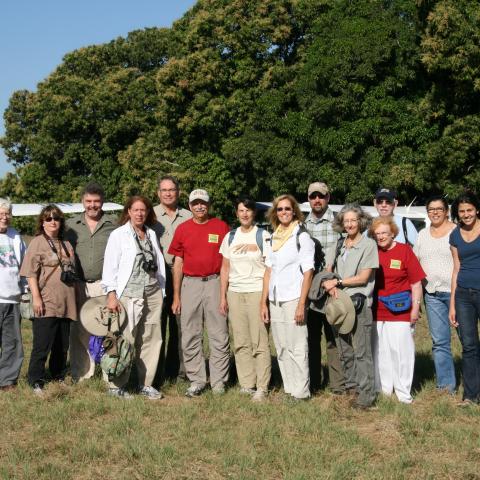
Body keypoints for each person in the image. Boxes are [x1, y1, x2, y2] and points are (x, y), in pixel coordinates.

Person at [102, 196, 166, 399]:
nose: (139, 213)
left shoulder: (151, 234)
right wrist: (111, 295)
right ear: (128, 211)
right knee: (121, 338)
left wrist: (162, 292)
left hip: (152, 291)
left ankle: (145, 383)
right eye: (135, 210)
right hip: (128, 293)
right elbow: (110, 268)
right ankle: (114, 384)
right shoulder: (118, 235)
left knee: (151, 338)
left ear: (148, 212)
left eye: (143, 210)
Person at [168, 189, 230, 397]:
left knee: (219, 333)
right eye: (195, 203)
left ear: (209, 204)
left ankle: (219, 381)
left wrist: (224, 293)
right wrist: (176, 296)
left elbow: (227, 263)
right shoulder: (183, 229)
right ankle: (197, 379)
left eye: (203, 203)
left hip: (214, 283)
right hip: (190, 285)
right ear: (190, 205)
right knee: (190, 334)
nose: (199, 206)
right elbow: (178, 263)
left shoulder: (221, 227)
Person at [323, 204, 378, 409]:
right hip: (339, 305)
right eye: (346, 221)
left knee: (362, 353)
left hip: (359, 305)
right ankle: (352, 389)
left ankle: (367, 397)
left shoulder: (368, 245)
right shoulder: (338, 244)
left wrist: (337, 283)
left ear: (361, 221)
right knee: (345, 351)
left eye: (353, 220)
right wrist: (329, 282)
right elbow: (328, 270)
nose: (349, 224)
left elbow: (364, 277)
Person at [261, 194, 314, 401]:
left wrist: (301, 304)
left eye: (287, 209)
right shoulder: (274, 236)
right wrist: (263, 301)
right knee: (282, 346)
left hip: (294, 298)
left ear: (294, 212)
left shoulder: (301, 236)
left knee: (297, 346)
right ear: (275, 213)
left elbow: (308, 272)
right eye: (280, 209)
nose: (283, 212)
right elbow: (268, 271)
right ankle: (290, 388)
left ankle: (302, 392)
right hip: (275, 299)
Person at [20, 205, 77, 395]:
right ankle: (35, 380)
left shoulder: (67, 244)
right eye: (49, 219)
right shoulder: (37, 242)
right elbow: (30, 273)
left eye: (57, 218)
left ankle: (58, 376)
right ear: (42, 222)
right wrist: (36, 298)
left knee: (62, 346)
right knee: (42, 344)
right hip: (46, 300)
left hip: (66, 301)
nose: (53, 222)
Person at [219, 196, 271, 402]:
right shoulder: (230, 237)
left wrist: (264, 300)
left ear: (253, 213)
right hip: (235, 293)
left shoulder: (263, 236)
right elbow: (225, 267)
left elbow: (269, 269)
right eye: (241, 210)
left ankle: (262, 386)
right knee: (240, 341)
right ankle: (247, 384)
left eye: (248, 210)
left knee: (259, 340)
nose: (245, 214)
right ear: (237, 213)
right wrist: (223, 295)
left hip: (256, 291)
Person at [370, 216, 425, 404]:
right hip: (377, 311)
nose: (381, 237)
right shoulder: (372, 252)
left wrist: (415, 309)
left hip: (400, 310)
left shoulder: (404, 251)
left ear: (393, 233)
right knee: (380, 352)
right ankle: (383, 389)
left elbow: (416, 283)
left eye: (384, 233)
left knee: (401, 352)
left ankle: (403, 392)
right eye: (377, 234)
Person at [65, 182, 117, 382]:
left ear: (102, 202)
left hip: (105, 284)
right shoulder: (70, 226)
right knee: (79, 330)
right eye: (88, 201)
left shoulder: (113, 225)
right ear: (82, 202)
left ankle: (109, 372)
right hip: (78, 285)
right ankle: (82, 372)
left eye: (96, 201)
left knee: (108, 328)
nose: (92, 205)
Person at [304, 181, 346, 394]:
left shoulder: (340, 222)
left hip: (333, 288)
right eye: (313, 197)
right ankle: (313, 383)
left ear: (328, 198)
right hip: (311, 290)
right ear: (309, 199)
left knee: (333, 337)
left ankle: (338, 385)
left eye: (321, 196)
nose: (317, 200)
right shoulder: (303, 224)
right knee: (311, 339)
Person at [414, 195, 456, 393]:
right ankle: (446, 386)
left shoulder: (457, 231)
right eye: (431, 209)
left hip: (458, 293)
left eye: (439, 209)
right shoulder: (422, 235)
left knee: (468, 340)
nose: (435, 212)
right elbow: (415, 264)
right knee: (440, 342)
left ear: (446, 211)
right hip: (432, 294)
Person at [153, 175, 192, 381]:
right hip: (157, 275)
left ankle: (179, 371)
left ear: (178, 192)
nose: (168, 193)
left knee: (180, 325)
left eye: (172, 190)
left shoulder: (188, 215)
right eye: (164, 190)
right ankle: (156, 371)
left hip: (183, 275)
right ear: (158, 193)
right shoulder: (149, 215)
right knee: (158, 325)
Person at [449, 192, 480, 406]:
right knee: (469, 346)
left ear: (477, 209)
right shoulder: (455, 235)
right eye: (462, 211)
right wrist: (452, 303)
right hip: (463, 295)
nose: (466, 214)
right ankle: (470, 396)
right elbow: (456, 268)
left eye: (469, 210)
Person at [0, 199, 26, 391]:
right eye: (1, 214)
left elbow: (23, 266)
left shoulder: (15, 236)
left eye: (7, 213)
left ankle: (7, 380)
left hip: (12, 297)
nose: (5, 217)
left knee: (12, 342)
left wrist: (25, 290)